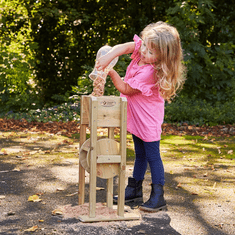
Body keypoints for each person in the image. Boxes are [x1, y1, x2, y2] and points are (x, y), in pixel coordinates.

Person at [96, 22, 186, 212]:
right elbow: (128, 47)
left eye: (151, 52)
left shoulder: (151, 72)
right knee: (140, 154)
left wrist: (110, 71)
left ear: (163, 57)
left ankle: (158, 196)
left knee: (152, 156)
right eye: (144, 45)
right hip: (137, 117)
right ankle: (134, 191)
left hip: (148, 120)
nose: (144, 52)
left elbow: (126, 89)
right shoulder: (141, 53)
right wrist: (110, 55)